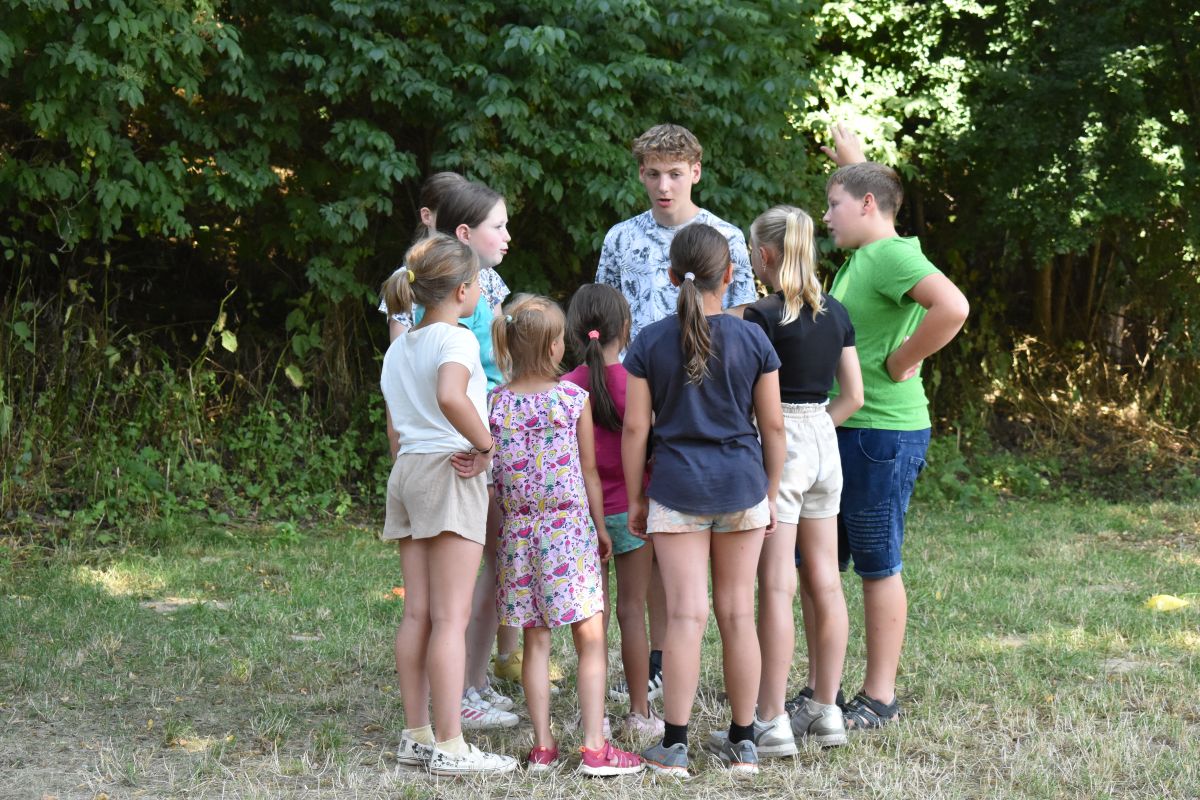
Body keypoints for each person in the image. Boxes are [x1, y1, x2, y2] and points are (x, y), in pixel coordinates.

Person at [596, 122, 758, 699]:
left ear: (695, 172)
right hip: (638, 400)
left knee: (686, 542)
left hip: (702, 408)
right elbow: (607, 322)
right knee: (649, 538)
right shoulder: (621, 238)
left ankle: (674, 656)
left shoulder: (725, 237)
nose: (663, 185)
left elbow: (740, 324)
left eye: (674, 173)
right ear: (641, 175)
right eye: (653, 174)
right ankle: (654, 657)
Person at [819, 131, 970, 730]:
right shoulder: (868, 252)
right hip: (851, 427)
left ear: (864, 207)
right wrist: (855, 169)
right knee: (825, 563)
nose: (825, 216)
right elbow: (873, 197)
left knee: (878, 562)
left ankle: (879, 698)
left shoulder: (887, 255)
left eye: (833, 204)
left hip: (881, 434)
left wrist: (904, 359)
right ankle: (823, 690)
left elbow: (952, 306)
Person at [622, 224, 786, 777]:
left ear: (672, 277)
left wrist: (637, 497)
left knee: (685, 615)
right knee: (738, 613)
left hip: (675, 489)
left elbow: (635, 430)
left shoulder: (649, 341)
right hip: (742, 485)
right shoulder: (754, 340)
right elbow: (773, 427)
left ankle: (673, 745)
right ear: (731, 274)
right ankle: (744, 743)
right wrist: (769, 493)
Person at [482, 294, 643, 776]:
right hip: (568, 531)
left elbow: (495, 475)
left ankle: (543, 747)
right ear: (555, 347)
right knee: (590, 637)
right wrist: (600, 527)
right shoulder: (572, 401)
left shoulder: (496, 403)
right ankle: (595, 747)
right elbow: (589, 471)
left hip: (519, 535)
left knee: (536, 641)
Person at [383, 179, 520, 729]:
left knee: (417, 613)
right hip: (451, 471)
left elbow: (396, 416)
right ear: (465, 291)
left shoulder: (401, 348)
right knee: (450, 616)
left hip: (409, 470)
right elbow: (450, 396)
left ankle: (416, 732)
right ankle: (451, 739)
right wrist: (487, 445)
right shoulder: (459, 339)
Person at [736, 205, 863, 753]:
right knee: (826, 580)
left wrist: (778, 438)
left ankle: (770, 718)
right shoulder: (837, 313)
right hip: (823, 441)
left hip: (779, 441)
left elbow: (747, 396)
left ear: (764, 255)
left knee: (777, 585)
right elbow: (854, 396)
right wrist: (816, 429)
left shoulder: (760, 317)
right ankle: (826, 709)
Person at [562, 284, 663, 741]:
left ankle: (596, 714)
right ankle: (640, 713)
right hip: (634, 512)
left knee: (593, 617)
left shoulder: (566, 387)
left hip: (584, 517)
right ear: (626, 328)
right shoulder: (638, 384)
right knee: (632, 611)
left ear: (573, 331)